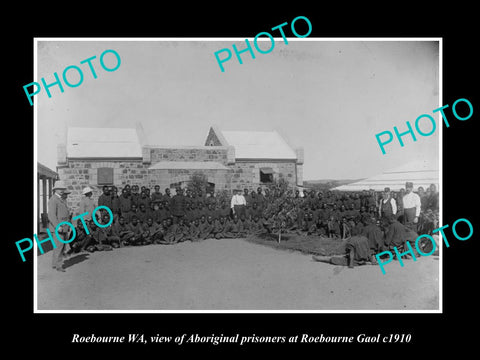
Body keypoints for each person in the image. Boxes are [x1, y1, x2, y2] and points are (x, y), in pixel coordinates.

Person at [48, 181, 72, 272]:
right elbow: (52, 215)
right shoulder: (53, 200)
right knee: (59, 246)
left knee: (60, 246)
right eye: (60, 189)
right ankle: (59, 265)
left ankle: (55, 264)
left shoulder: (60, 199)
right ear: (55, 190)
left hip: (64, 225)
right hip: (58, 227)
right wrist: (57, 226)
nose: (62, 190)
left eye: (63, 189)